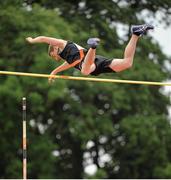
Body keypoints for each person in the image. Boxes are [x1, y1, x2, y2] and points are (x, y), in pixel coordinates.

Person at [26, 24, 154, 83]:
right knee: (127, 63)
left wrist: (33, 40)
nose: (56, 58)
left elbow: (43, 38)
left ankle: (93, 46)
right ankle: (136, 33)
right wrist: (54, 72)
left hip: (89, 62)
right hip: (95, 64)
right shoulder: (67, 57)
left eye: (53, 55)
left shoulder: (61, 44)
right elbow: (68, 64)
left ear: (53, 49)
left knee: (85, 71)